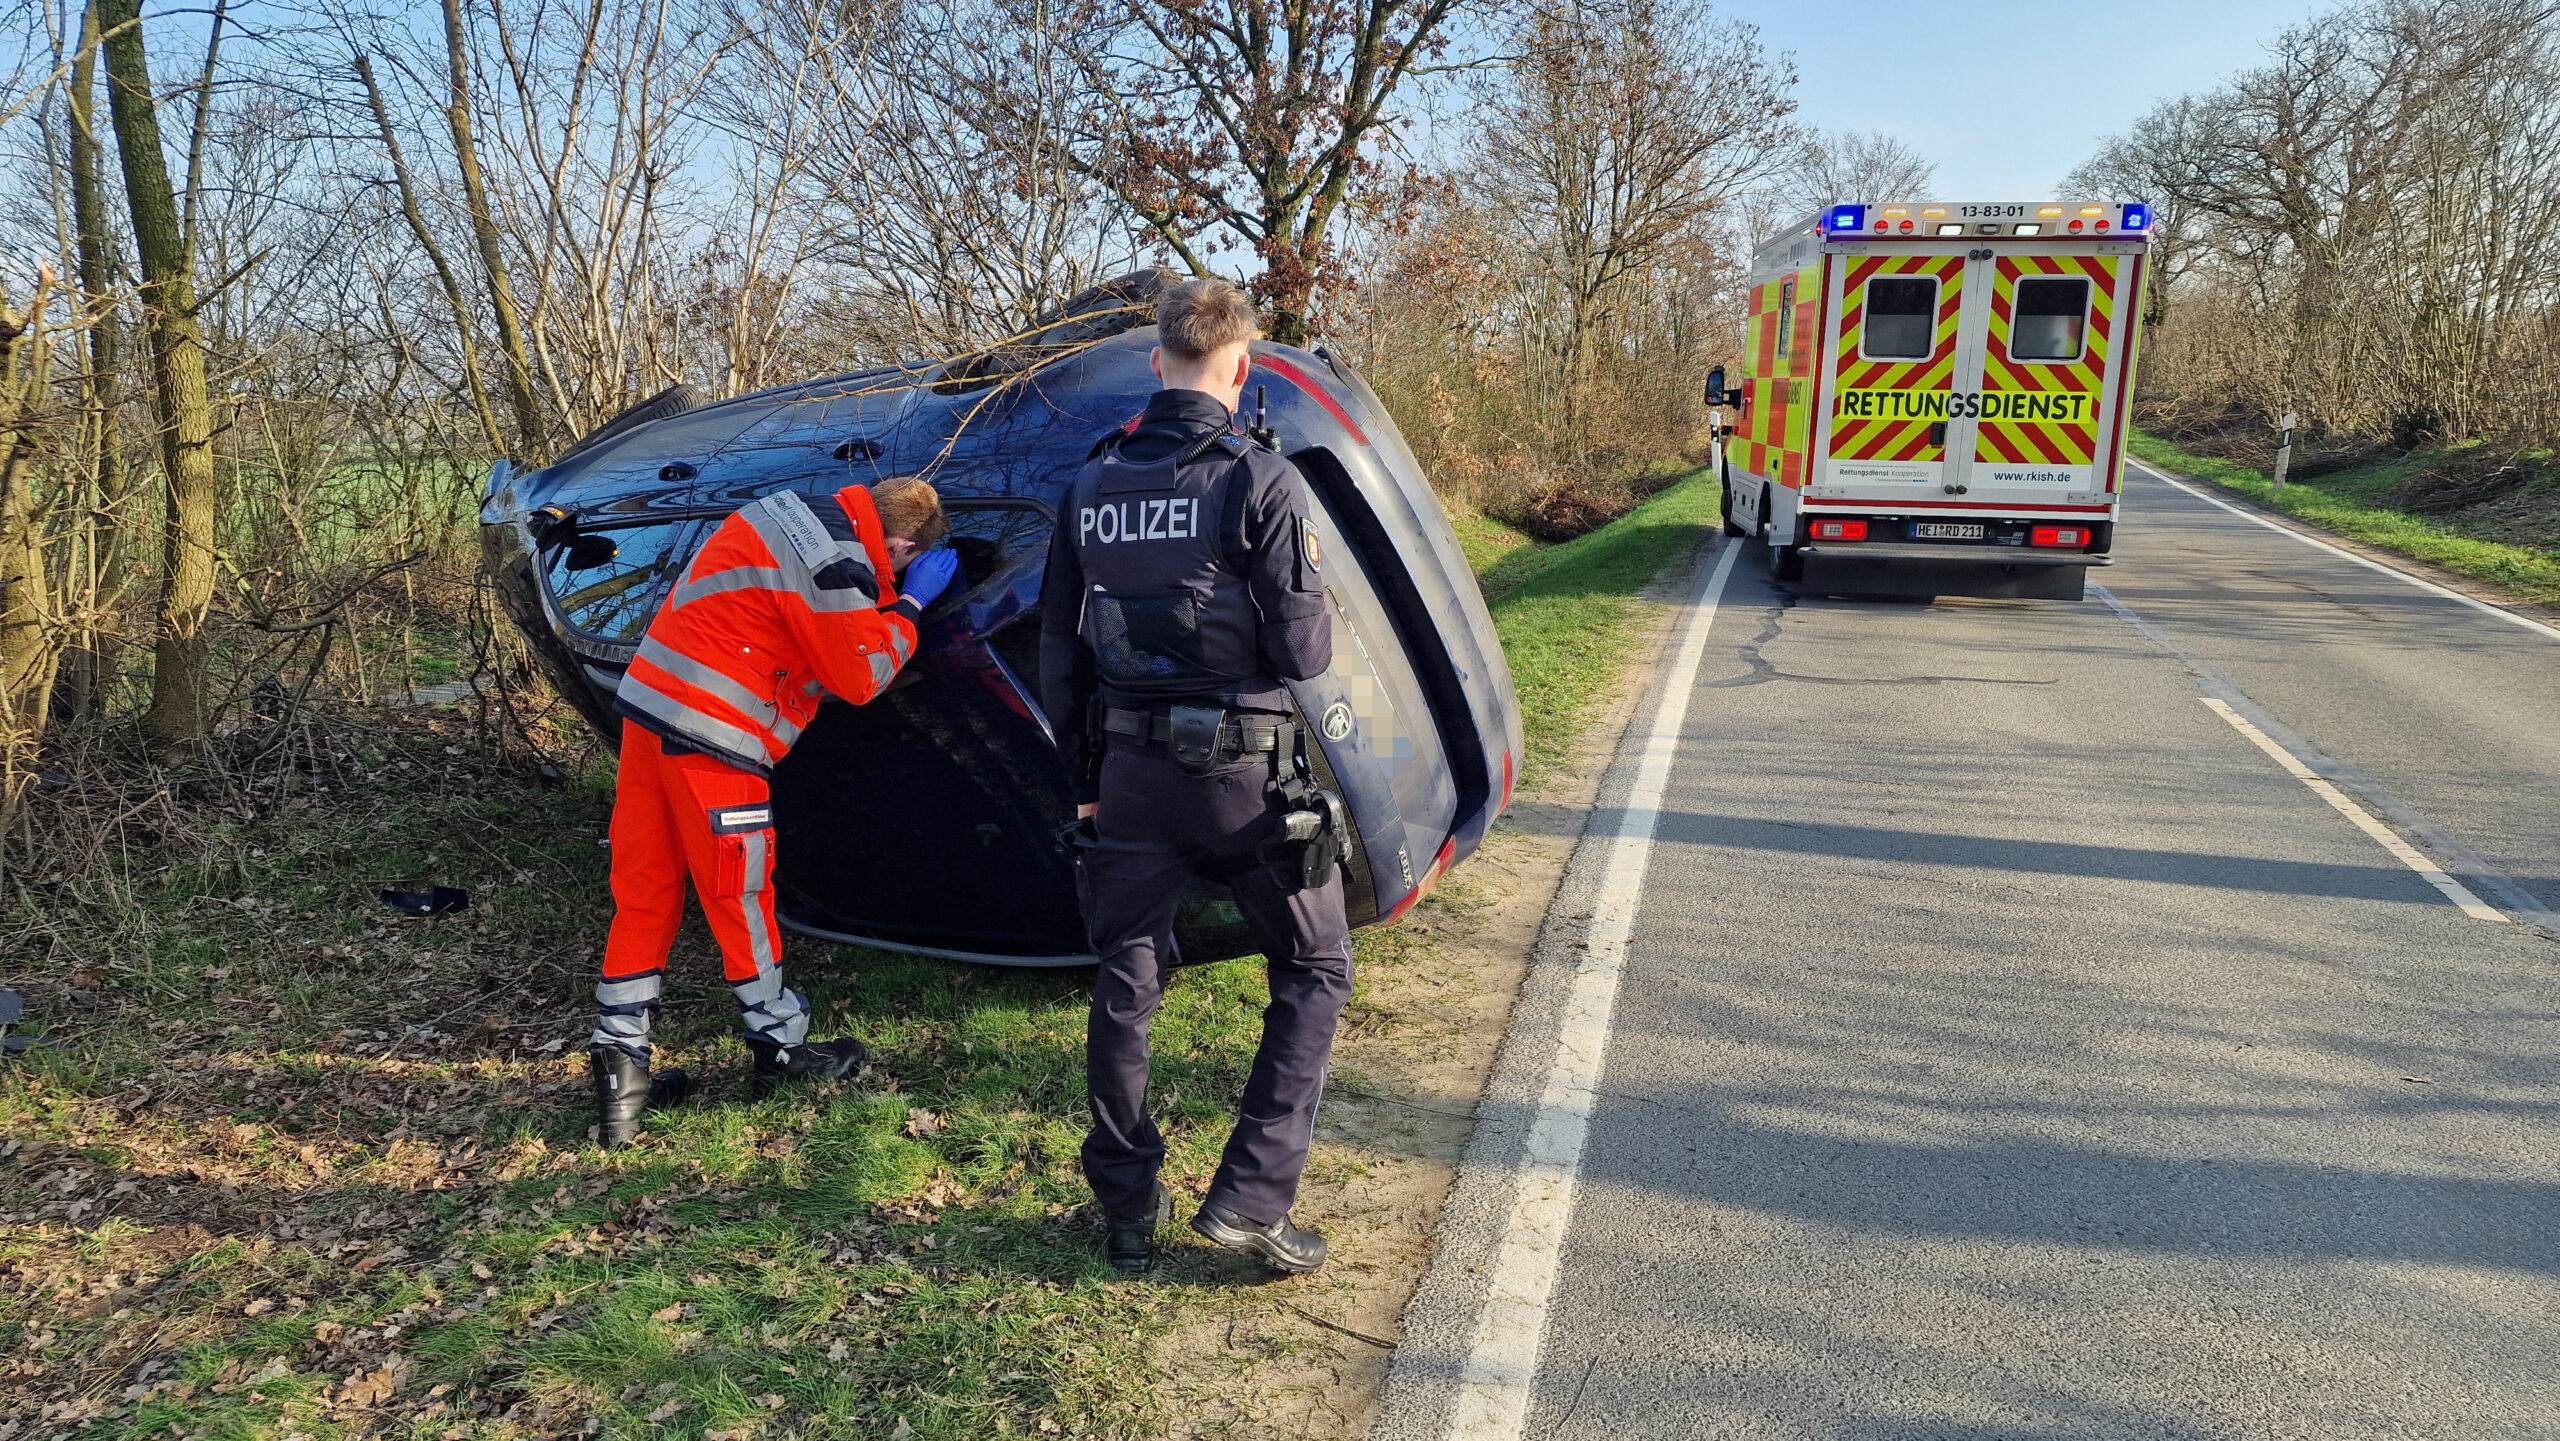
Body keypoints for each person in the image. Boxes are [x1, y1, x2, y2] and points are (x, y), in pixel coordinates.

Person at [1037, 277, 1349, 1275]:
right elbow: (1303, 655)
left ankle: (1125, 1206)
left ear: (1156, 360)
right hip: (1244, 780)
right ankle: (1252, 1200)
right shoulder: (1258, 478)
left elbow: (1059, 650)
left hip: (1127, 771)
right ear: (1242, 366)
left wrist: (1083, 778)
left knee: (1125, 977)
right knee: (1313, 967)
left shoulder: (1090, 482)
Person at [589, 476, 961, 1147]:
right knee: (742, 892)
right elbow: (861, 674)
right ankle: (780, 1048)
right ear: (902, 544)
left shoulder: (792, 509)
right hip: (715, 732)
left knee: (644, 889)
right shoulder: (839, 566)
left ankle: (621, 1074)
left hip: (651, 708)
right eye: (902, 559)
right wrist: (907, 603)